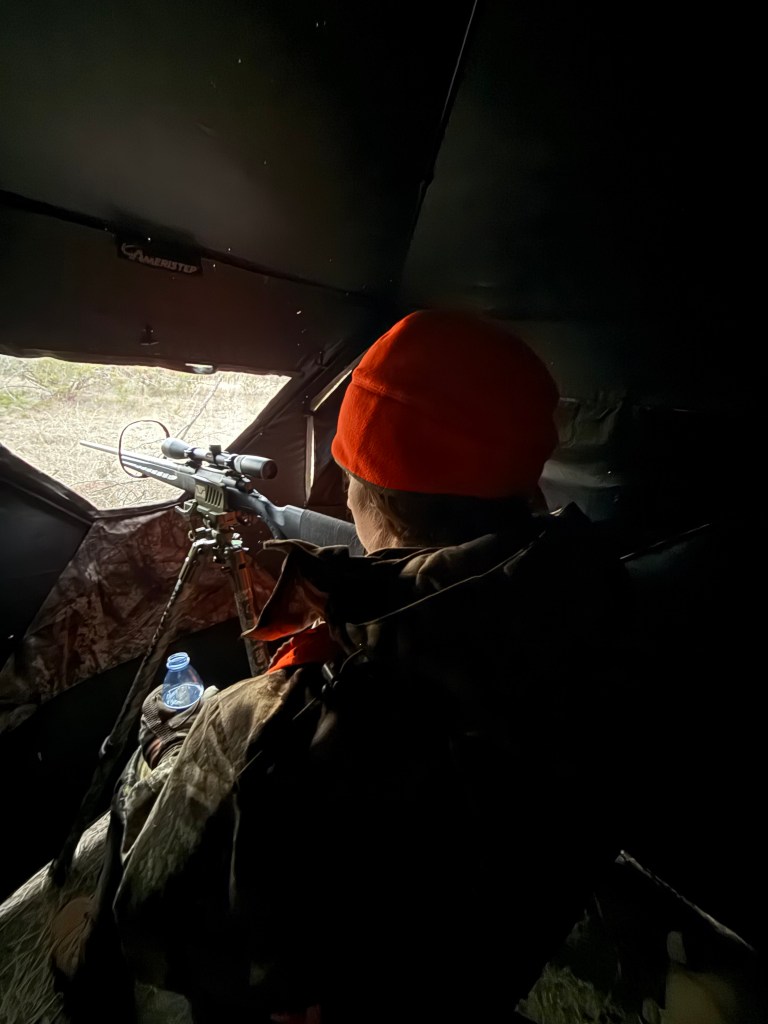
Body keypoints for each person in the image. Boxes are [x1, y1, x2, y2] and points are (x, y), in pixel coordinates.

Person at [63, 310, 632, 1024]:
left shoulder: (291, 715)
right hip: (495, 952)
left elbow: (155, 924)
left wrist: (178, 737)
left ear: (365, 490)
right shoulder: (602, 599)